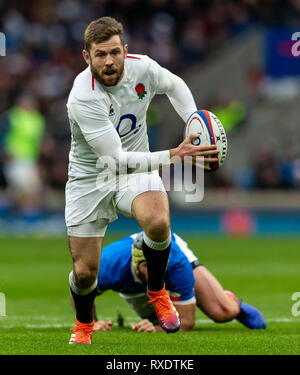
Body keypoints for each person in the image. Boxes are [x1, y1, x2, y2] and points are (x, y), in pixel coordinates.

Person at [66, 16, 219, 344]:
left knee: (159, 221)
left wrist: (193, 120)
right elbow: (115, 160)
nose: (108, 61)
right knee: (84, 272)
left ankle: (156, 290)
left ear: (125, 50)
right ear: (86, 57)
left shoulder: (144, 68)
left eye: (114, 53)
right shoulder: (83, 97)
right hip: (90, 179)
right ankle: (83, 324)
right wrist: (174, 155)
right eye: (100, 55)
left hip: (136, 173)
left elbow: (175, 85)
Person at [70, 232, 266, 332]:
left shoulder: (176, 265)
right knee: (158, 319)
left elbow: (187, 322)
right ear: (138, 262)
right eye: (149, 265)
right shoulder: (109, 264)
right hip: (131, 284)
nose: (157, 270)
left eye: (160, 264)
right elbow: (78, 289)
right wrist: (91, 323)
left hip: (175, 252)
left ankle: (231, 301)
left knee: (222, 312)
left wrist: (156, 330)